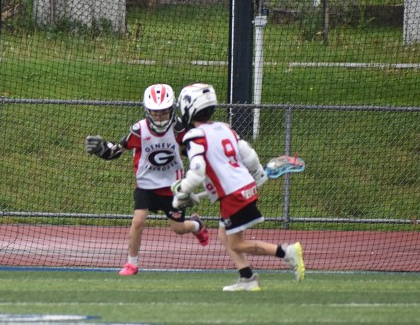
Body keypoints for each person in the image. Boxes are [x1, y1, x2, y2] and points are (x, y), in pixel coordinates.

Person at [170, 83, 304, 291]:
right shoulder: (224, 128)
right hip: (241, 189)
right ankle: (247, 278)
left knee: (236, 243)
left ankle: (287, 252)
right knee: (224, 236)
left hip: (234, 195)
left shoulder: (194, 136)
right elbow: (248, 154)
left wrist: (181, 194)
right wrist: (258, 174)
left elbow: (197, 172)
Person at [85, 83, 211, 276]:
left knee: (178, 228)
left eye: (164, 112)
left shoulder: (179, 129)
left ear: (171, 110)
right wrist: (102, 150)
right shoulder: (139, 130)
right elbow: (116, 150)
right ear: (147, 111)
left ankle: (196, 225)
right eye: (155, 113)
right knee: (138, 221)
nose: (159, 117)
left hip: (173, 187)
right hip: (146, 184)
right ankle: (131, 263)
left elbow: (192, 152)